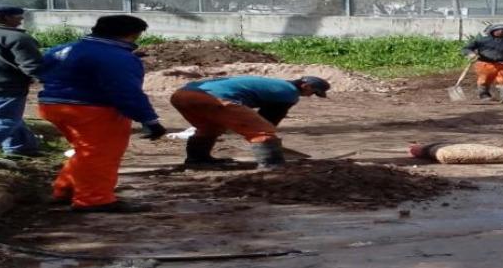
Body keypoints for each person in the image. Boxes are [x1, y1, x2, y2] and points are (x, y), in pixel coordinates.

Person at [38, 15, 166, 214]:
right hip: (92, 109)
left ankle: (67, 190)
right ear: (132, 34)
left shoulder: (62, 49)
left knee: (85, 150)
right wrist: (148, 119)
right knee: (100, 155)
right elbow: (126, 91)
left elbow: (40, 71)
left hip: (52, 104)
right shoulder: (117, 57)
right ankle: (93, 200)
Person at [170, 75, 330, 169]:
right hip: (213, 98)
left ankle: (197, 160)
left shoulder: (275, 84)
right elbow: (269, 118)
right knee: (263, 130)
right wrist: (266, 139)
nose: (311, 96)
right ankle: (272, 166)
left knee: (209, 128)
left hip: (182, 96)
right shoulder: (289, 92)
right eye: (313, 92)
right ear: (305, 85)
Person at [0, 5, 43, 164]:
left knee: (9, 115)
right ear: (3, 17)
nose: (21, 19)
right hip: (3, 87)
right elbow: (33, 67)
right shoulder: (16, 38)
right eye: (18, 16)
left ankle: (21, 147)